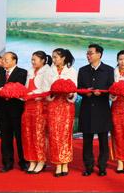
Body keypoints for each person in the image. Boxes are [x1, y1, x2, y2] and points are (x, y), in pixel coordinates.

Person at [77, 43, 114, 177]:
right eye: (87, 53)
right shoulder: (82, 70)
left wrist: (103, 93)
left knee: (104, 140)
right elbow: (79, 88)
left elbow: (111, 88)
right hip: (87, 108)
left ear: (99, 54)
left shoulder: (109, 70)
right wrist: (85, 93)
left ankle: (102, 166)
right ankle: (88, 166)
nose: (88, 55)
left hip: (102, 109)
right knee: (87, 141)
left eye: (90, 53)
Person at [0, 51, 28, 173]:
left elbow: (19, 88)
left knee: (20, 138)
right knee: (5, 138)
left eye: (6, 59)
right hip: (3, 110)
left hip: (17, 110)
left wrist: (2, 90)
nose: (3, 61)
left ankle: (24, 162)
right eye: (3, 59)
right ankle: (7, 163)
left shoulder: (22, 73)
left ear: (14, 60)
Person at [46, 48, 77, 177]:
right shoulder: (49, 71)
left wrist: (69, 93)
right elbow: (46, 89)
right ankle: (58, 164)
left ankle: (65, 162)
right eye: (52, 57)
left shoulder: (72, 71)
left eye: (56, 57)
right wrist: (52, 93)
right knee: (54, 135)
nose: (53, 60)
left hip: (66, 106)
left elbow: (74, 90)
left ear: (63, 58)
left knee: (65, 134)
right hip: (53, 105)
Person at [22, 51, 52, 174]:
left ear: (43, 60)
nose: (32, 62)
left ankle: (41, 160)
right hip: (28, 105)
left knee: (39, 134)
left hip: (40, 105)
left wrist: (32, 94)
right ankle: (31, 160)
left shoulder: (48, 71)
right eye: (32, 59)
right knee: (28, 133)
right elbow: (26, 87)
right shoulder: (30, 71)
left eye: (35, 59)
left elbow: (46, 89)